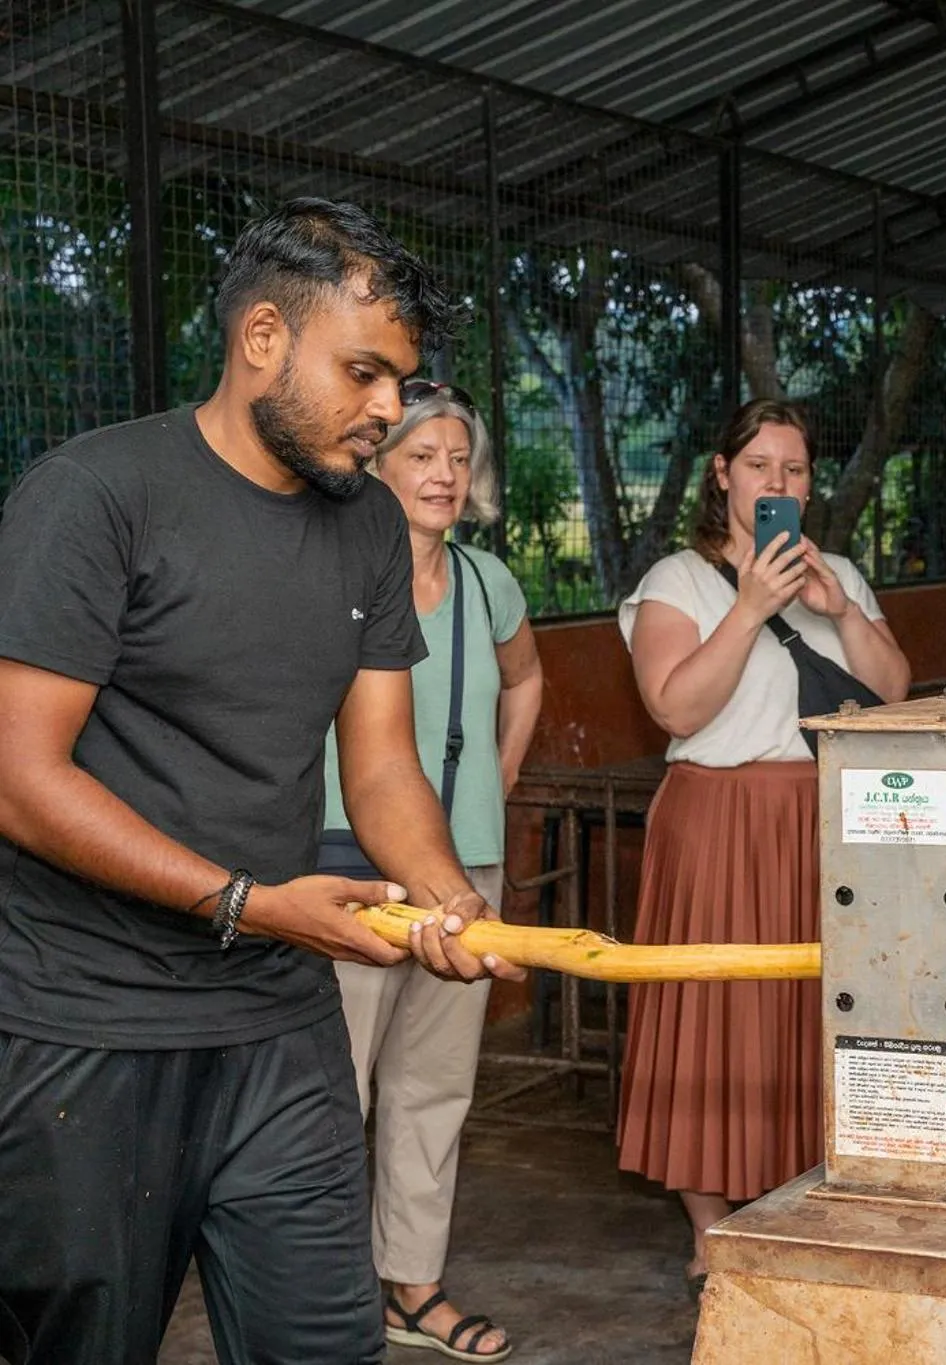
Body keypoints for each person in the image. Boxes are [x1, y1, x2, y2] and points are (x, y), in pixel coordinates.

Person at [0, 198, 522, 1365]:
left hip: (276, 1021)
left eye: (404, 380)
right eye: (366, 372)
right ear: (265, 340)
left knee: (326, 1346)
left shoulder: (366, 533)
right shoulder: (93, 497)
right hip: (88, 1025)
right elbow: (18, 779)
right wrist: (247, 900)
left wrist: (442, 891)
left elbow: (379, 760)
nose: (392, 408)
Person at [615, 398, 911, 1294]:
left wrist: (838, 609)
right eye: (759, 468)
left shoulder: (842, 574)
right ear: (722, 474)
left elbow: (897, 694)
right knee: (712, 1020)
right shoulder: (679, 580)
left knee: (819, 1015)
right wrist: (750, 609)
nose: (777, 484)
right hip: (717, 819)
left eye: (794, 470)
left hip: (827, 820)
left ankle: (809, 1200)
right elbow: (675, 707)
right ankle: (713, 1227)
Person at [321, 379, 543, 1362]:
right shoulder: (327, 570)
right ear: (376, 461)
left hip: (468, 869)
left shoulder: (490, 582)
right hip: (355, 867)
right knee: (337, 1087)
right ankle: (327, 1297)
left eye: (458, 458)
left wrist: (494, 780)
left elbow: (528, 678)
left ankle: (412, 1288)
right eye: (422, 455)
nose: (444, 474)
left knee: (436, 1084)